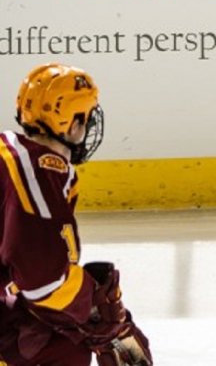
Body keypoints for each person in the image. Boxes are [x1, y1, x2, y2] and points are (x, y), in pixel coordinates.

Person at [0, 63, 152, 366]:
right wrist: (95, 314)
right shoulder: (36, 173)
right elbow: (41, 281)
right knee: (64, 350)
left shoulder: (14, 152)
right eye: (87, 117)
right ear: (72, 125)